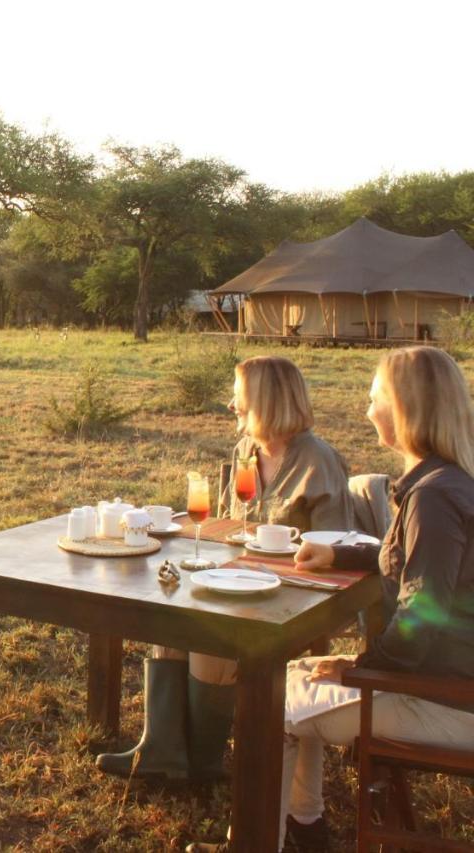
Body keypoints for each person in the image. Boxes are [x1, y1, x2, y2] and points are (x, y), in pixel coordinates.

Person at [187, 346, 474, 852]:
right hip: (445, 680)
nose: (366, 409)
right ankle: (305, 824)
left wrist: (360, 666)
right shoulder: (446, 481)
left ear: (405, 407)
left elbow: (423, 615)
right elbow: (426, 567)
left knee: (269, 699)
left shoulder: (433, 496)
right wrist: (349, 559)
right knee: (292, 676)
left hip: (446, 699)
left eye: (374, 397)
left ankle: (253, 843)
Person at [97, 356, 353, 783]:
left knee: (211, 634)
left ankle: (202, 760)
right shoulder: (245, 452)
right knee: (172, 612)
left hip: (290, 594)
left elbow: (335, 551)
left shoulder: (318, 461)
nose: (232, 405)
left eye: (239, 397)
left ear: (266, 402)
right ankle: (161, 747)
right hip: (236, 578)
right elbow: (230, 527)